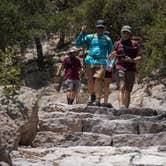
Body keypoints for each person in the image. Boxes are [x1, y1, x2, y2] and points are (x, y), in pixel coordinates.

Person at [76, 19, 113, 106]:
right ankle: (92, 94)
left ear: (104, 28)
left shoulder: (108, 39)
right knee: (90, 80)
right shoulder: (90, 37)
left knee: (98, 79)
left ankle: (97, 99)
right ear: (96, 28)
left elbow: (111, 53)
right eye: (98, 27)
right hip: (89, 60)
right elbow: (78, 43)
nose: (100, 29)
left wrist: (110, 63)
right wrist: (82, 32)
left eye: (101, 28)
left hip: (102, 61)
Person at [109, 25, 142, 109]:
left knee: (128, 90)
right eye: (124, 32)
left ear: (130, 34)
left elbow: (140, 57)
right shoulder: (117, 44)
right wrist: (112, 55)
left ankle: (126, 109)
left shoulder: (135, 44)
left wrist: (132, 60)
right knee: (122, 87)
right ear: (121, 33)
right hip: (120, 67)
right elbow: (110, 57)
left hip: (131, 69)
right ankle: (121, 107)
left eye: (127, 33)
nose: (125, 34)